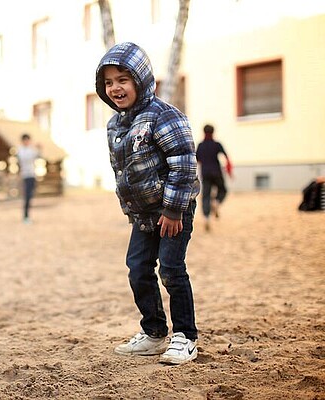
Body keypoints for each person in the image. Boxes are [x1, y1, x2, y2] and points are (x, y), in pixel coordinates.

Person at [95, 42, 200, 365]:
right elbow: (125, 171)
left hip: (172, 210)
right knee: (138, 269)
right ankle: (154, 332)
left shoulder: (164, 116)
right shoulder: (116, 124)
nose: (115, 88)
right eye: (109, 82)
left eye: (123, 80)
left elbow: (183, 162)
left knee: (170, 269)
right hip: (142, 214)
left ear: (141, 81)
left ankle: (185, 336)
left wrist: (172, 210)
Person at [196, 124, 233, 231]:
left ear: (204, 132)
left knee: (206, 196)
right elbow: (225, 156)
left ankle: (206, 218)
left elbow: (197, 159)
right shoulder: (217, 144)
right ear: (213, 132)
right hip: (216, 172)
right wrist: (228, 167)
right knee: (223, 190)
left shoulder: (200, 145)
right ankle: (217, 202)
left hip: (205, 173)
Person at [16, 133, 40, 223]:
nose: (27, 142)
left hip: (32, 175)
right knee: (27, 196)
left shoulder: (31, 150)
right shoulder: (21, 151)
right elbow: (25, 158)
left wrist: (39, 148)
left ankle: (27, 215)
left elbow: (38, 155)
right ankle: (26, 216)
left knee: (30, 195)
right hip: (25, 175)